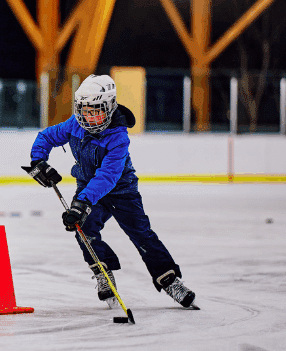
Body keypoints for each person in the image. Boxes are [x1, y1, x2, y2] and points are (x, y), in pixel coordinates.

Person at [25, 74, 198, 309]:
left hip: (121, 191)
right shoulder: (75, 124)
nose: (89, 117)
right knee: (83, 229)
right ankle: (102, 271)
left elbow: (108, 176)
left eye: (95, 111)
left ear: (109, 108)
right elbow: (46, 136)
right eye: (85, 110)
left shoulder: (118, 136)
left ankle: (169, 279)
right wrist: (38, 161)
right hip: (87, 187)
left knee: (141, 234)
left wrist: (82, 202)